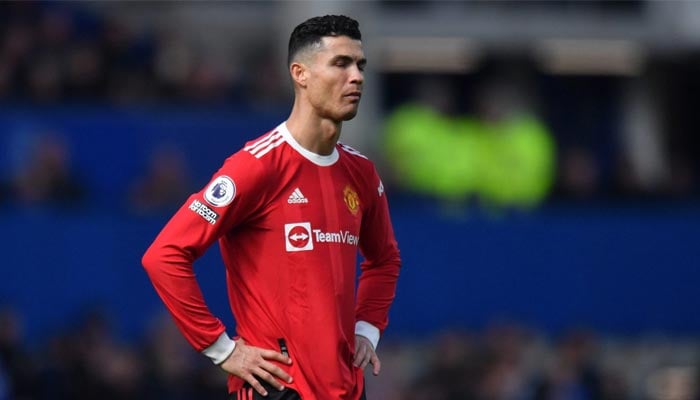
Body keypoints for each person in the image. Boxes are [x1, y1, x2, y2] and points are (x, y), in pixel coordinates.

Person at [142, 15, 401, 400]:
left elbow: (385, 260)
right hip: (277, 387)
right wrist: (221, 349)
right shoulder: (258, 165)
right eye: (341, 63)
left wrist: (367, 328)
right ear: (301, 73)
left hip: (346, 388)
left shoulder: (361, 173)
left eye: (360, 65)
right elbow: (164, 256)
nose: (357, 77)